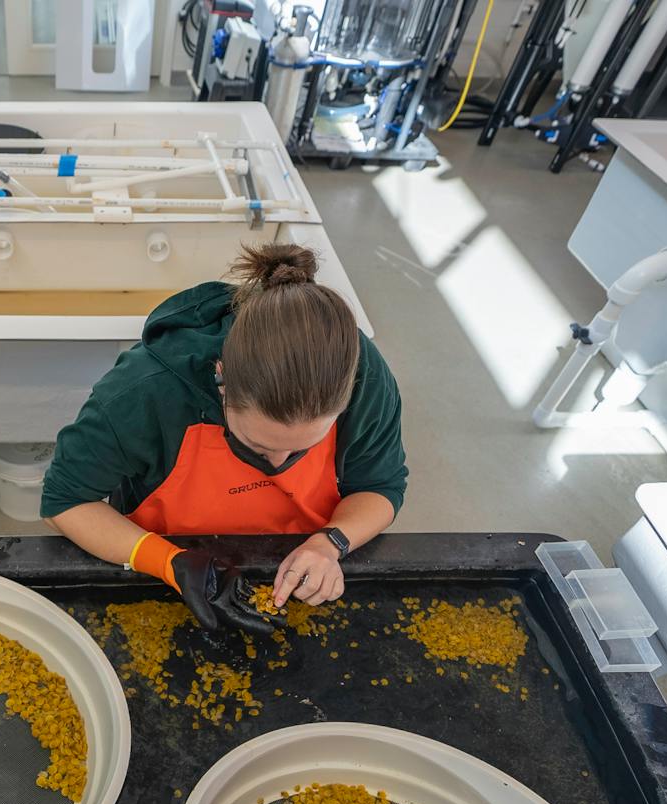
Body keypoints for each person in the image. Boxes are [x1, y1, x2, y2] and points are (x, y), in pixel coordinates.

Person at [40, 243, 407, 632]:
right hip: (163, 558)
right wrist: (169, 562)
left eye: (303, 448)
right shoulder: (144, 393)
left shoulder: (364, 377)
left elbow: (380, 485)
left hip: (300, 559)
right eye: (258, 446)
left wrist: (330, 543)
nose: (278, 466)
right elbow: (64, 502)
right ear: (221, 382)